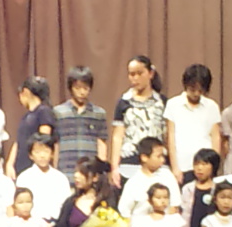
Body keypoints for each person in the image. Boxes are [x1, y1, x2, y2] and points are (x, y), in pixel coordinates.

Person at [110, 55, 167, 188]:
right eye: (132, 74)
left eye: (139, 73)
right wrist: (114, 167)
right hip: (130, 163)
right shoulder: (124, 102)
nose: (135, 78)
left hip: (157, 164)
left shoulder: (162, 102)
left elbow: (167, 135)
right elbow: (118, 137)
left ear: (150, 73)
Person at [164, 64, 221, 186]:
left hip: (205, 166)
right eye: (192, 89)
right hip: (182, 165)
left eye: (200, 90)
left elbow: (215, 137)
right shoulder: (173, 104)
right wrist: (175, 168)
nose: (196, 93)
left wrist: (213, 166)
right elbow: (171, 138)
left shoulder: (212, 106)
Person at [53, 66, 109, 184]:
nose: (82, 92)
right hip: (66, 170)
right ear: (71, 88)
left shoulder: (98, 113)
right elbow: (56, 143)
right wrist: (54, 169)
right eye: (77, 88)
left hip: (90, 173)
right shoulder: (59, 112)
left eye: (85, 88)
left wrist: (101, 171)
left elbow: (101, 143)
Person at [118, 137, 182, 220]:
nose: (162, 160)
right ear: (144, 157)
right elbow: (125, 211)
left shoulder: (167, 176)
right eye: (158, 156)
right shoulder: (134, 183)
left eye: (163, 156)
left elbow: (174, 205)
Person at [15, 134, 71, 227]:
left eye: (46, 151)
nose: (42, 156)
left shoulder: (60, 178)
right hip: (31, 225)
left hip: (56, 224)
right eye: (37, 152)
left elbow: (66, 205)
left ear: (52, 153)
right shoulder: (24, 178)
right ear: (31, 155)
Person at [6, 76, 55, 179]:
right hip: (21, 166)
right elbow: (18, 141)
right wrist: (10, 164)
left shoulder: (44, 112)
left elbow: (44, 141)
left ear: (25, 92)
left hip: (34, 168)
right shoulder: (26, 116)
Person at [179, 149, 220, 227]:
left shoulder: (218, 189)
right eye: (196, 164)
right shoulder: (187, 188)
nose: (199, 168)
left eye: (204, 164)